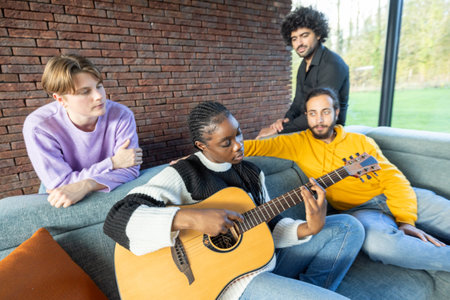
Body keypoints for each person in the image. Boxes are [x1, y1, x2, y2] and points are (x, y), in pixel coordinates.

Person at [103, 101, 364, 299]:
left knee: (348, 227)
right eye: (226, 142)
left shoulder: (251, 172)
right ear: (202, 145)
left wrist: (310, 227)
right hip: (230, 283)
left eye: (238, 134)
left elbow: (269, 225)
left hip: (260, 260)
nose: (238, 145)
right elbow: (118, 218)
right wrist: (193, 218)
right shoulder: (185, 173)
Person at [245, 87, 450, 271]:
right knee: (380, 246)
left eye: (325, 112)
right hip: (361, 212)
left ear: (336, 112)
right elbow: (253, 147)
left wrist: (406, 221)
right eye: (313, 113)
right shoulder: (297, 143)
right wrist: (221, 146)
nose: (319, 119)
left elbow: (393, 179)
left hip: (394, 195)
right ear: (306, 116)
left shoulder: (360, 141)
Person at [23, 54, 142, 208]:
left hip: (106, 188)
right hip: (63, 198)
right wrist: (113, 163)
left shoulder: (121, 115)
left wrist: (88, 185)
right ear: (60, 99)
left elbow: (130, 170)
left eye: (98, 86)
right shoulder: (39, 127)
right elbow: (60, 185)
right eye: (85, 92)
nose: (99, 96)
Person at [257, 6, 349, 139]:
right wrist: (283, 122)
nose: (299, 43)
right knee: (263, 139)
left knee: (266, 139)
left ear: (318, 34)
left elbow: (319, 113)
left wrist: (280, 131)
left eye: (304, 36)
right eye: (294, 39)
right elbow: (297, 102)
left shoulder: (332, 65)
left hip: (326, 133)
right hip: (306, 128)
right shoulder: (304, 64)